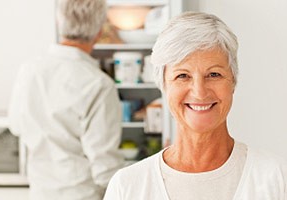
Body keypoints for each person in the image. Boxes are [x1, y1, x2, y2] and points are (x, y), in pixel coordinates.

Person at [103, 11, 287, 200]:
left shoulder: (276, 179)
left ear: (233, 81)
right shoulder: (128, 187)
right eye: (182, 76)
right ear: (164, 86)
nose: (199, 92)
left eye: (214, 74)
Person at [8, 0, 124, 199]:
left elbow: (16, 126)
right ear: (99, 31)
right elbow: (105, 167)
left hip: (40, 192)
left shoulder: (29, 70)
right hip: (82, 194)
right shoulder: (98, 84)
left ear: (59, 22)